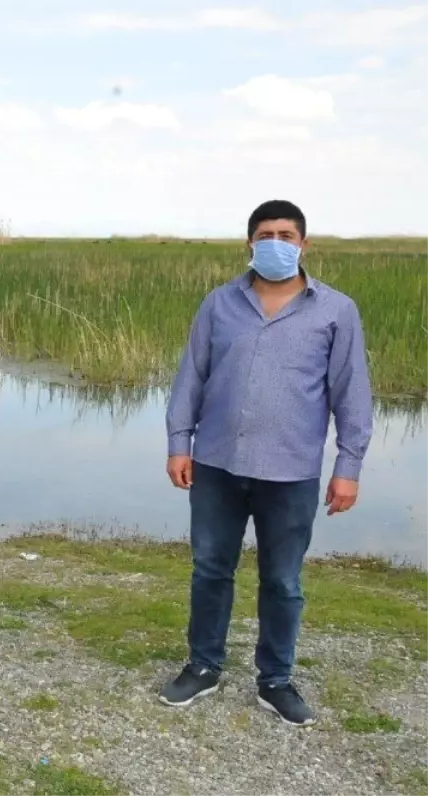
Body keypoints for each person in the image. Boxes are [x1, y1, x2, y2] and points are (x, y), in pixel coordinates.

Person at [160, 199, 374, 726]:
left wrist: (348, 467)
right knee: (210, 569)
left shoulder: (335, 310)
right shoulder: (219, 304)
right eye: (264, 234)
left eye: (285, 234)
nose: (275, 242)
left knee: (283, 581)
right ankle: (203, 665)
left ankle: (275, 678)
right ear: (249, 243)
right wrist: (177, 442)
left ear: (303, 244)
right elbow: (192, 376)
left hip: (291, 471)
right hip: (216, 465)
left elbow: (351, 393)